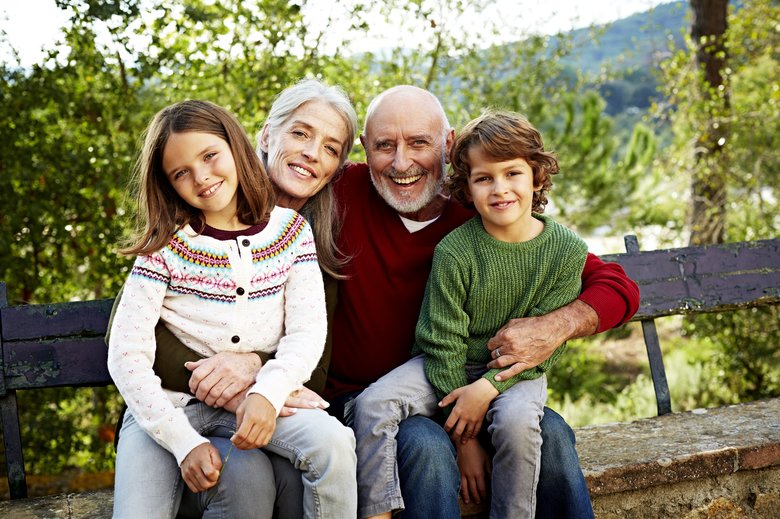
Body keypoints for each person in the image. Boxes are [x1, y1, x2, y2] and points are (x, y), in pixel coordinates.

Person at [161, 85, 640, 518]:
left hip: (466, 385)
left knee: (551, 433)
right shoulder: (335, 193)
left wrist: (556, 326)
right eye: (384, 146)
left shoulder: (479, 217)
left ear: (448, 146)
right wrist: (256, 361)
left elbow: (617, 286)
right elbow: (240, 260)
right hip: (363, 401)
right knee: (425, 448)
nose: (401, 162)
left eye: (419, 143)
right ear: (364, 151)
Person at [107, 99, 356, 519]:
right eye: (181, 173)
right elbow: (125, 352)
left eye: (210, 157)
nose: (201, 177)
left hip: (261, 401)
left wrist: (265, 392)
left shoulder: (292, 233)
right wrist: (183, 442)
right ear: (167, 184)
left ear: (236, 147)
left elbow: (307, 333)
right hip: (166, 409)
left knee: (333, 444)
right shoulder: (164, 248)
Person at [354, 109, 589, 518]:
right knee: (372, 404)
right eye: (484, 178)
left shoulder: (566, 251)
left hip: (518, 372)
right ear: (467, 186)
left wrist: (487, 389)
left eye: (512, 173)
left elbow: (544, 347)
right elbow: (440, 340)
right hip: (445, 366)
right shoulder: (456, 250)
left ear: (536, 176)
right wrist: (464, 440)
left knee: (519, 426)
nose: (500, 189)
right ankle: (376, 512)